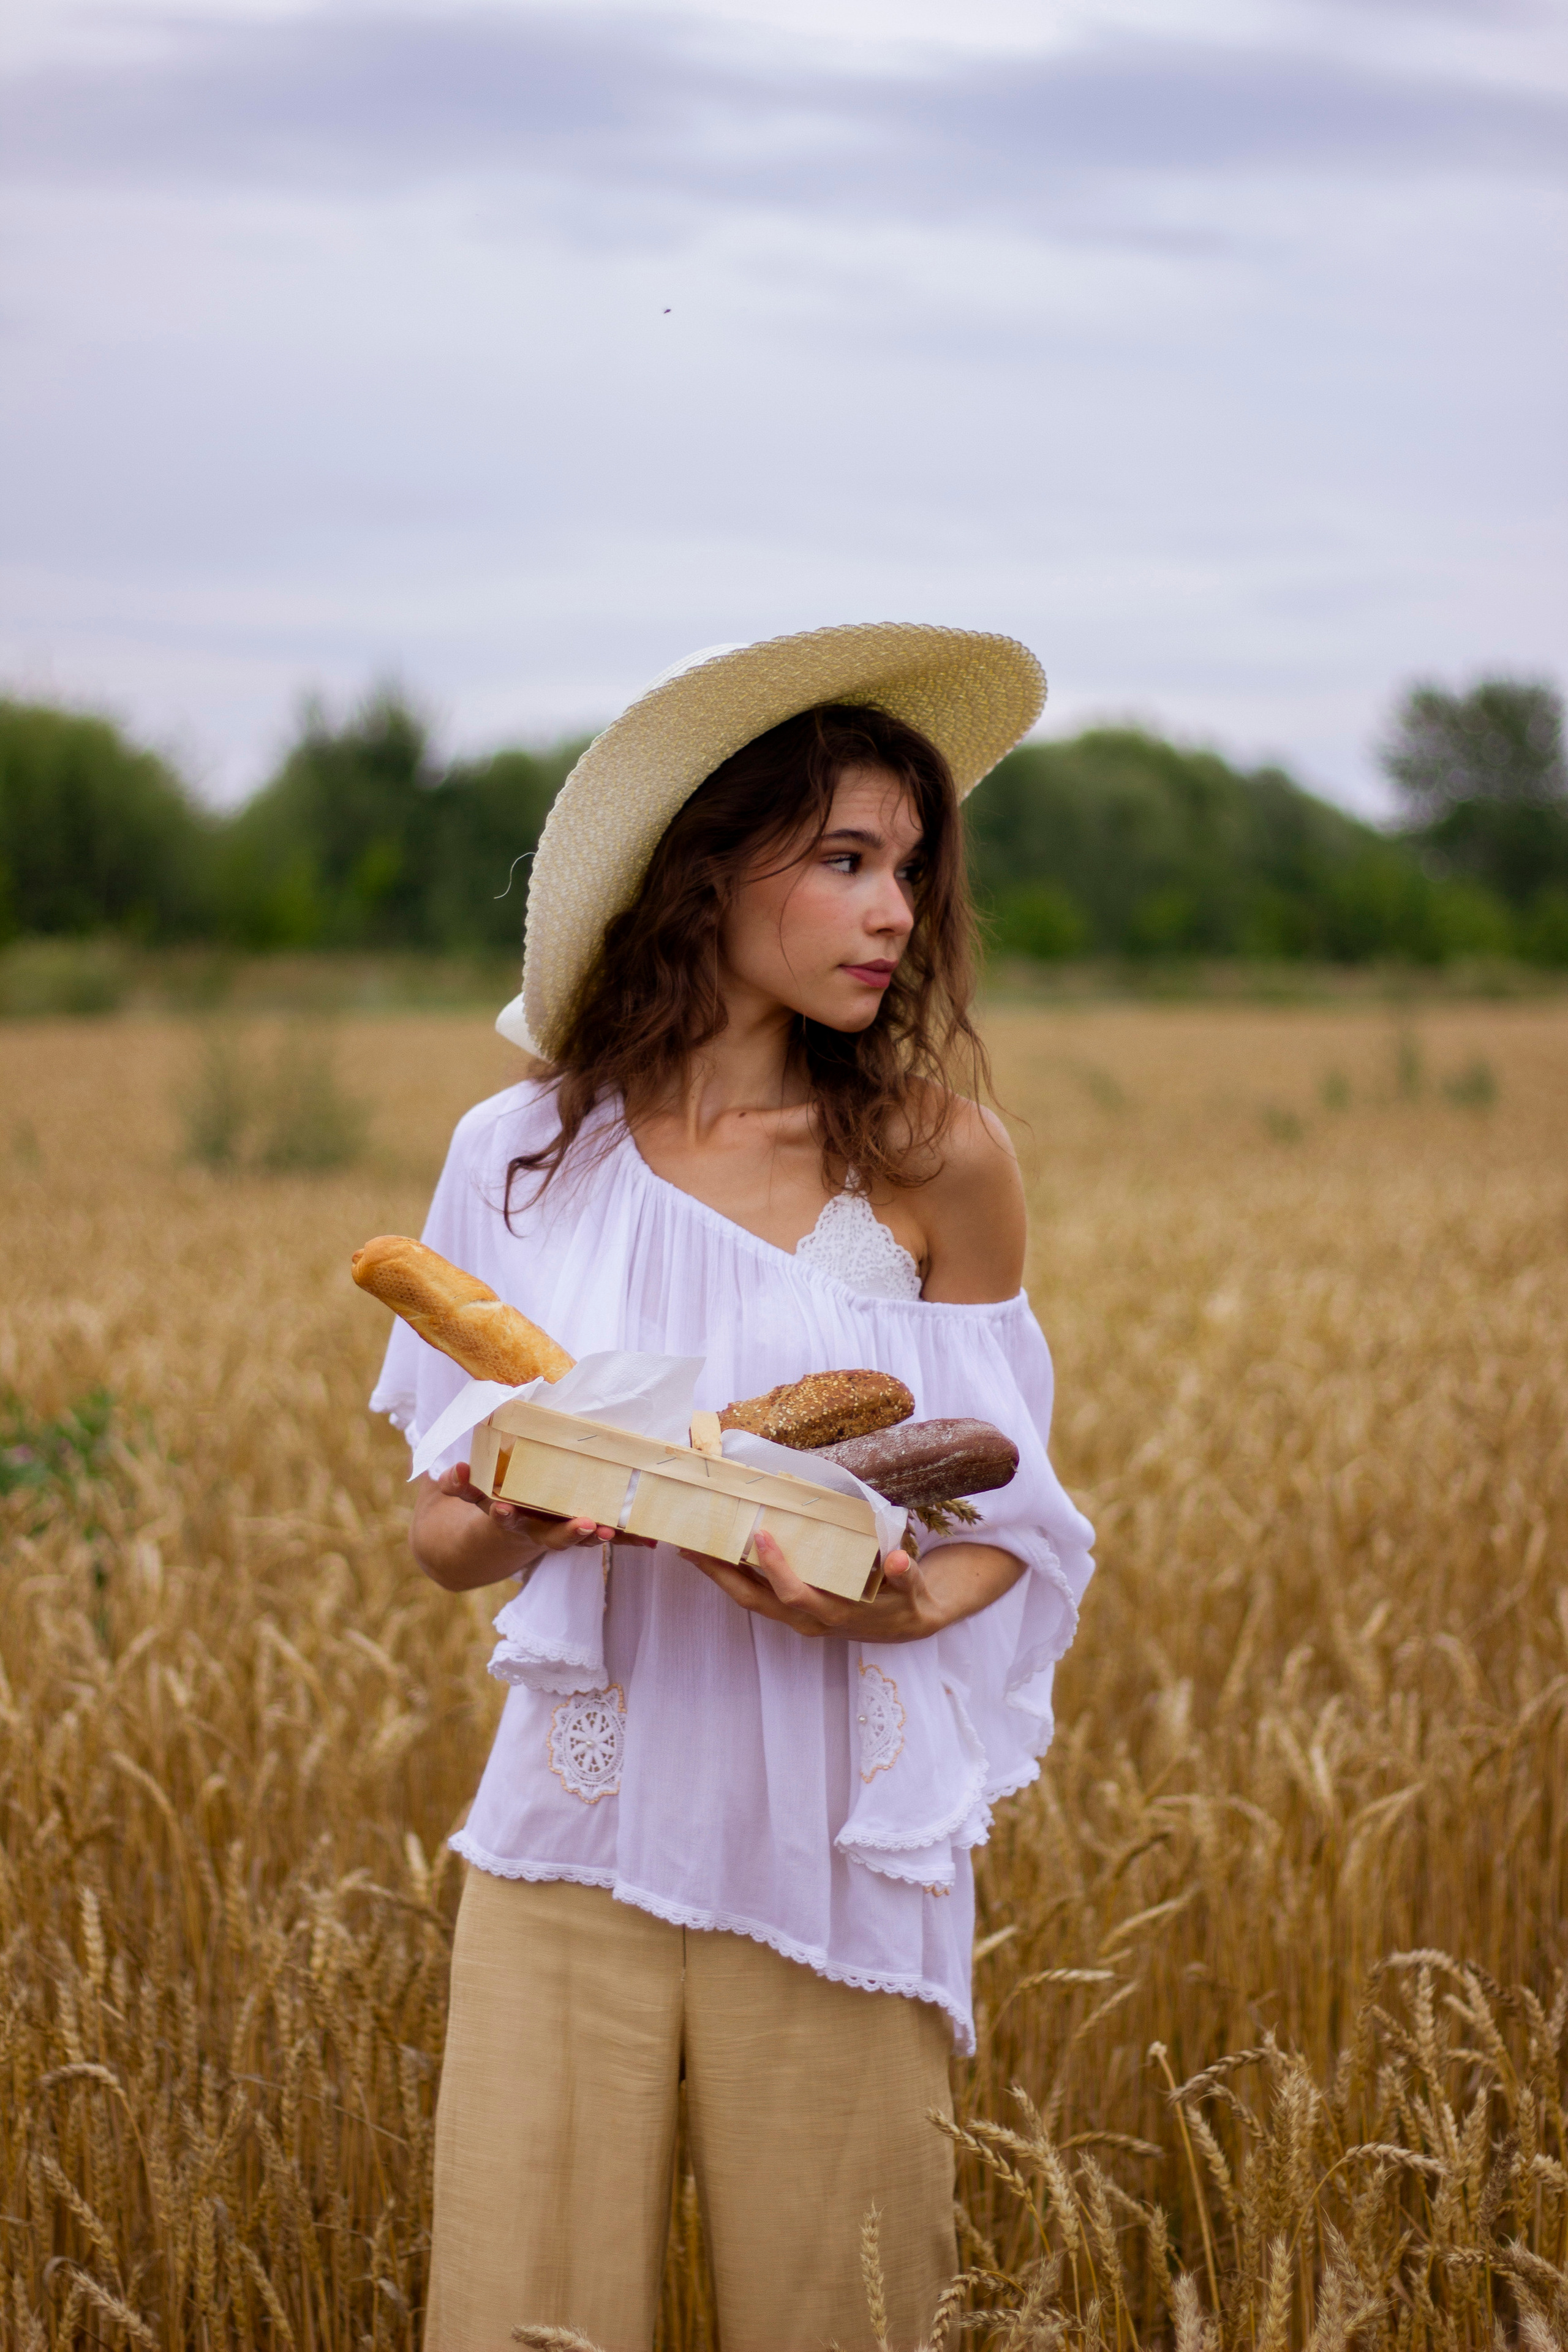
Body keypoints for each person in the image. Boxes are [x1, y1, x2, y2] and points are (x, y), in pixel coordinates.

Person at [371, 624, 1096, 2352]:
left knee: (838, 2323)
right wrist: (531, 1504)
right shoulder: (525, 1153)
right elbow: (438, 1536)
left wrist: (892, 1599)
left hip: (837, 1849)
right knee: (519, 2321)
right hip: (572, 1833)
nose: (895, 912)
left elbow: (1011, 1526)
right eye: (845, 860)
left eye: (909, 871)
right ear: (705, 868)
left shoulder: (937, 1160)